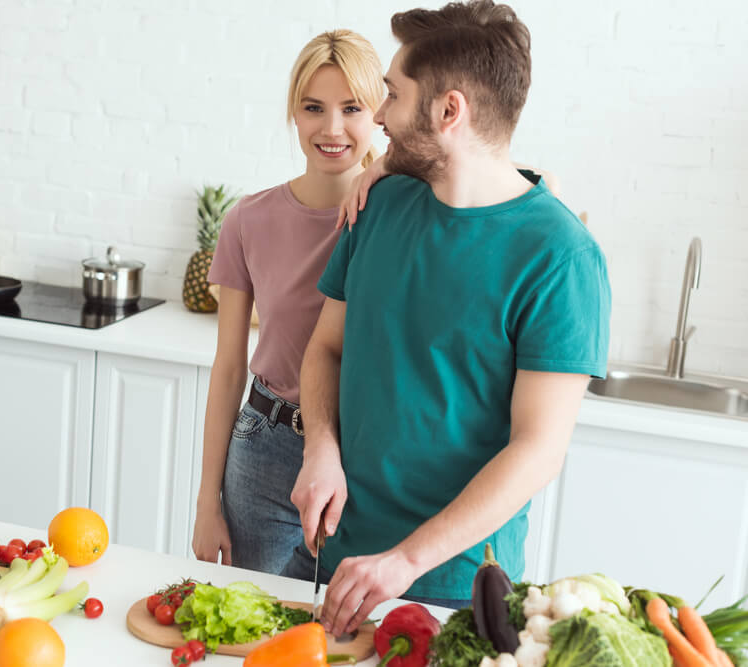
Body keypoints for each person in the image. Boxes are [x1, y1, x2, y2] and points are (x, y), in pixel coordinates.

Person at [284, 0, 612, 638]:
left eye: (392, 95)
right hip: (329, 559)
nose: (378, 116)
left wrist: (405, 560)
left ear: (448, 110)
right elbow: (326, 348)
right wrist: (320, 444)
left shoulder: (560, 256)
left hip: (454, 592)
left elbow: (537, 450)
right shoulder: (378, 205)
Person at [191, 30, 385, 574]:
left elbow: (528, 180)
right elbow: (229, 365)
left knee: (341, 640)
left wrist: (391, 168)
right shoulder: (248, 220)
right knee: (253, 632)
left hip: (361, 453)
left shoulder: (396, 217)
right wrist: (208, 501)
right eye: (313, 108)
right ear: (293, 115)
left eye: (352, 108)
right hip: (263, 447)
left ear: (380, 114)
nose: (331, 128)